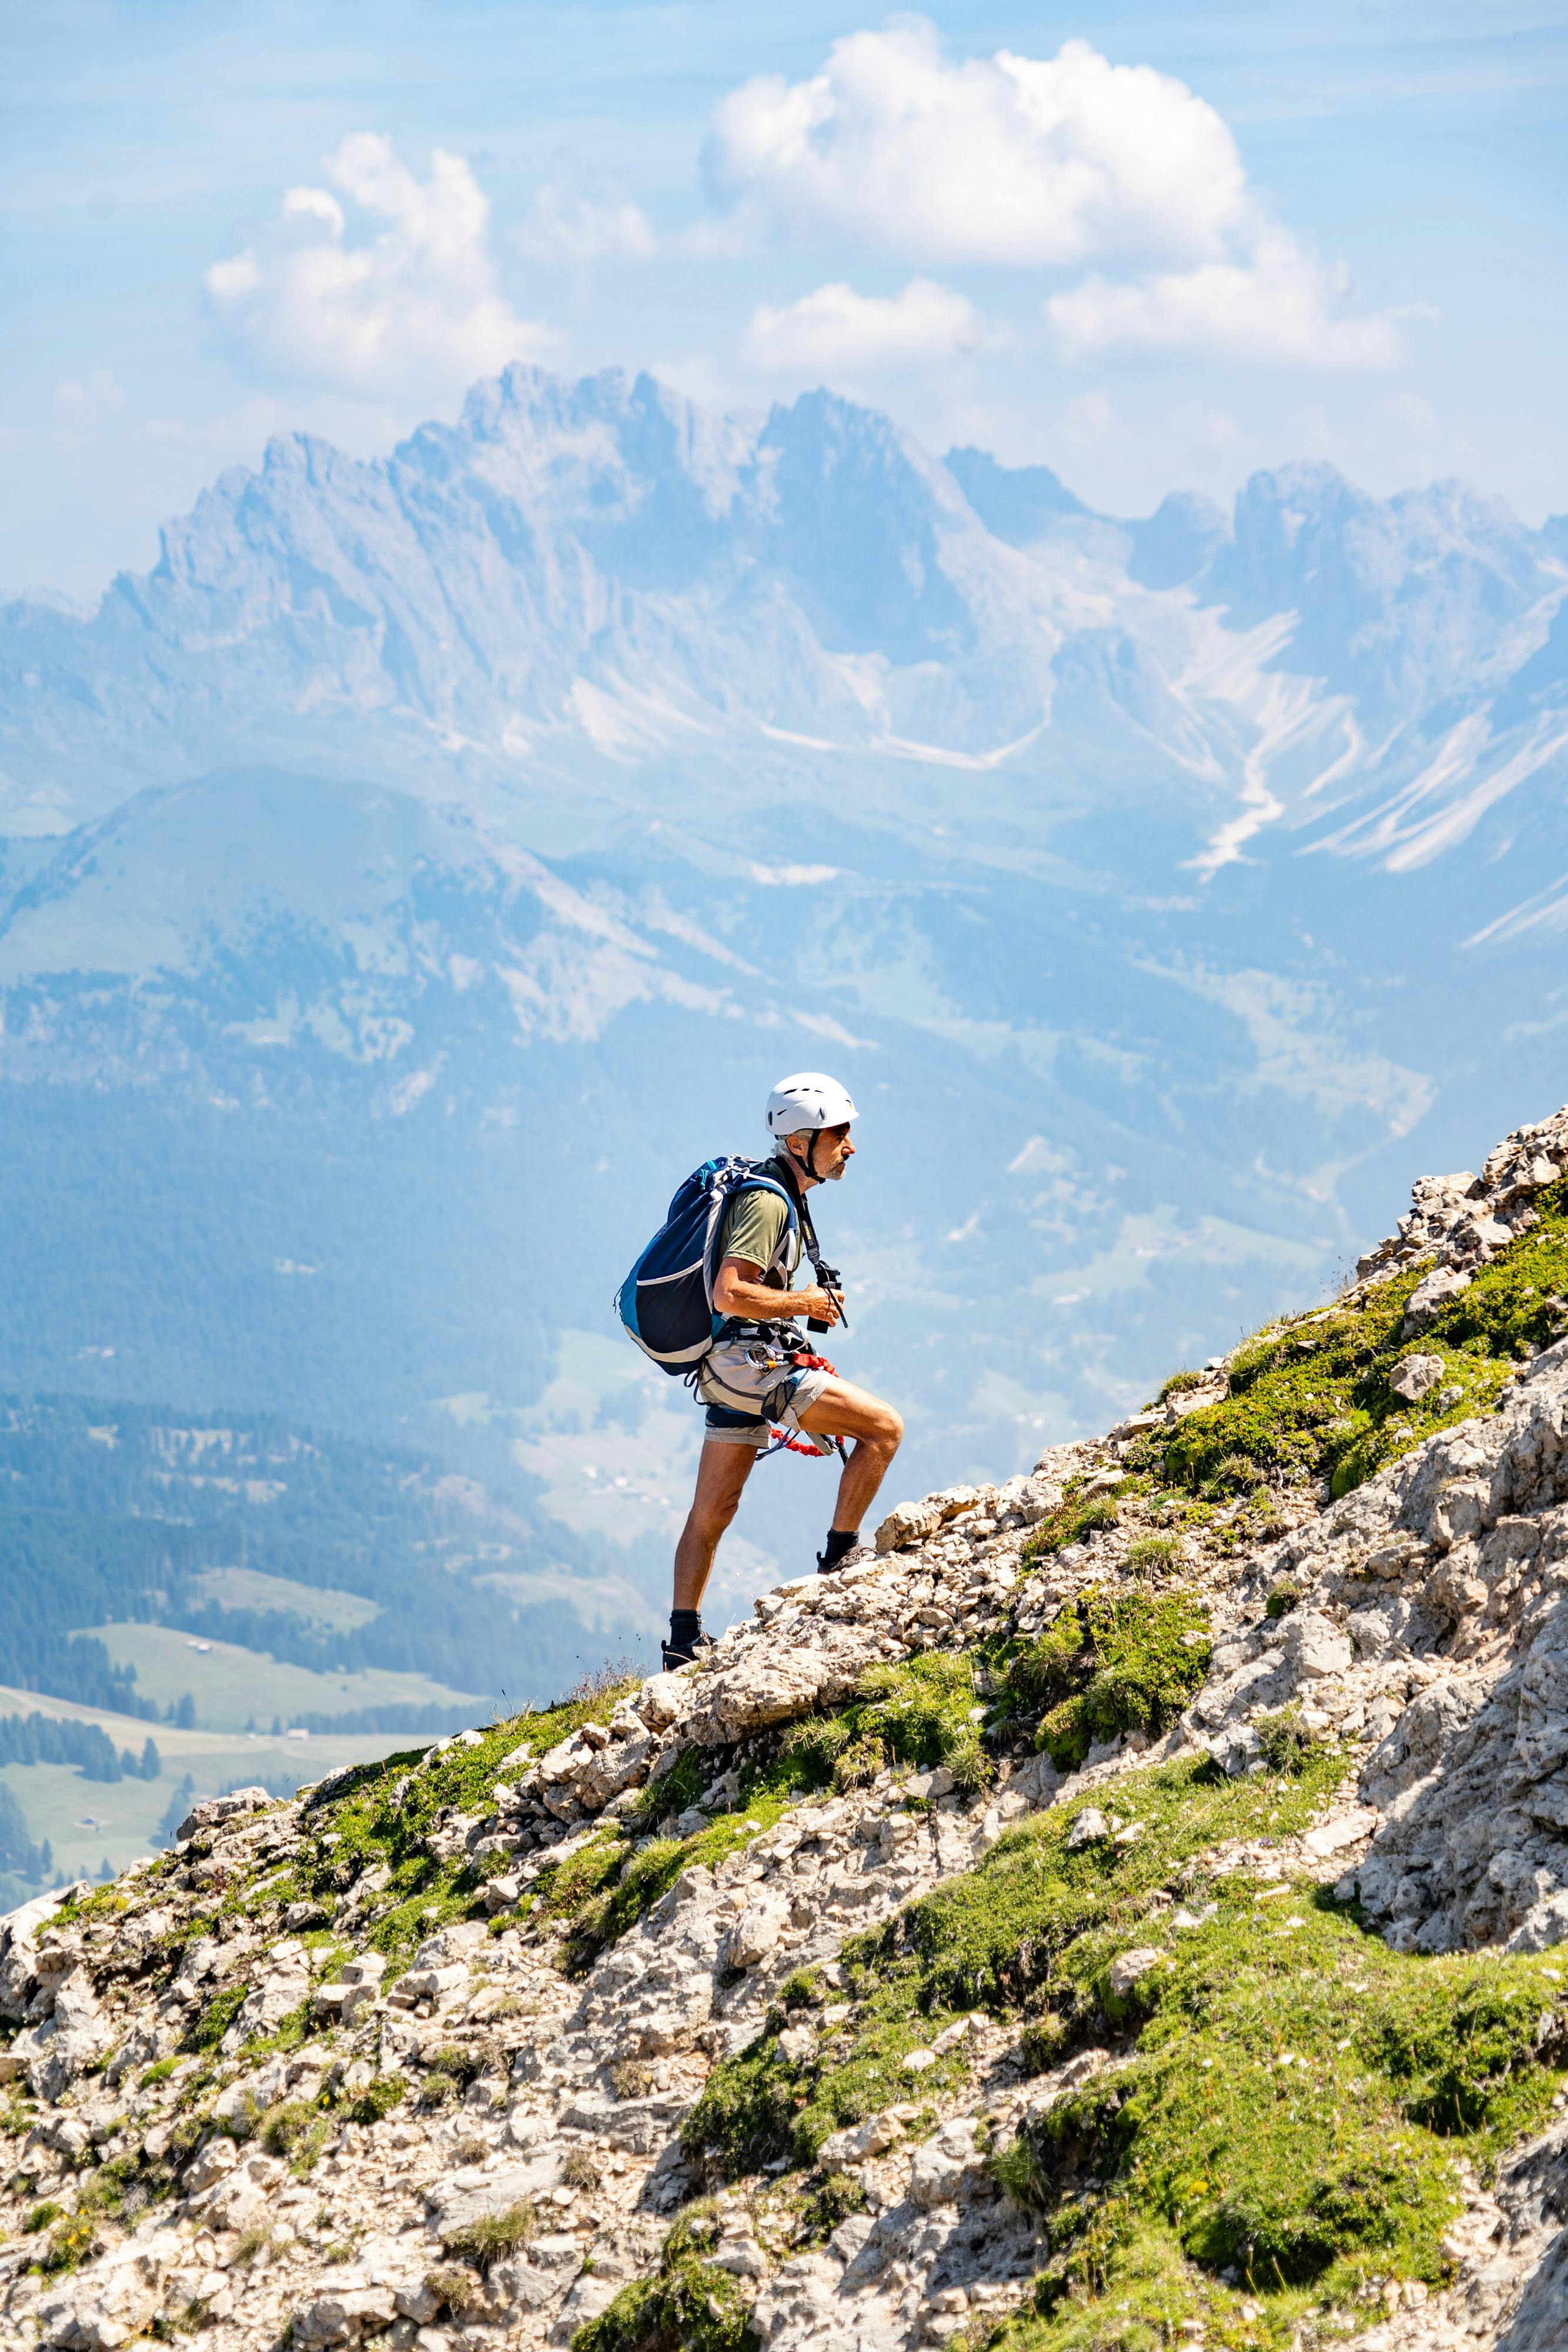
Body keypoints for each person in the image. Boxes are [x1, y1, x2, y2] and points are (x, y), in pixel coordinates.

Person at [663, 1073, 904, 1669]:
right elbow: (729, 1294)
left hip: (732, 1368)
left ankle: (682, 1641)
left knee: (714, 1509)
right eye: (838, 1134)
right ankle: (840, 1559)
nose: (850, 1145)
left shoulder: (779, 1193)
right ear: (800, 1142)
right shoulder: (769, 1201)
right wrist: (806, 1303)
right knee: (883, 1429)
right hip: (751, 1366)